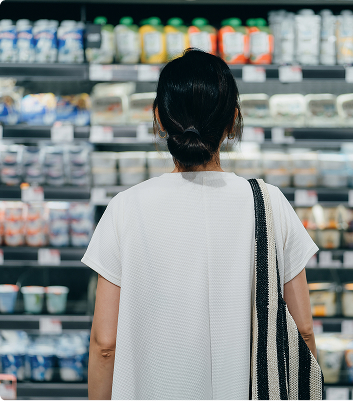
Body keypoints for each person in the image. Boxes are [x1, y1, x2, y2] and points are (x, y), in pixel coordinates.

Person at [82, 49, 318, 400]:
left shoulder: (125, 209)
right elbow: (303, 331)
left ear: (160, 119)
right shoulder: (270, 203)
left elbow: (105, 343)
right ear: (232, 121)